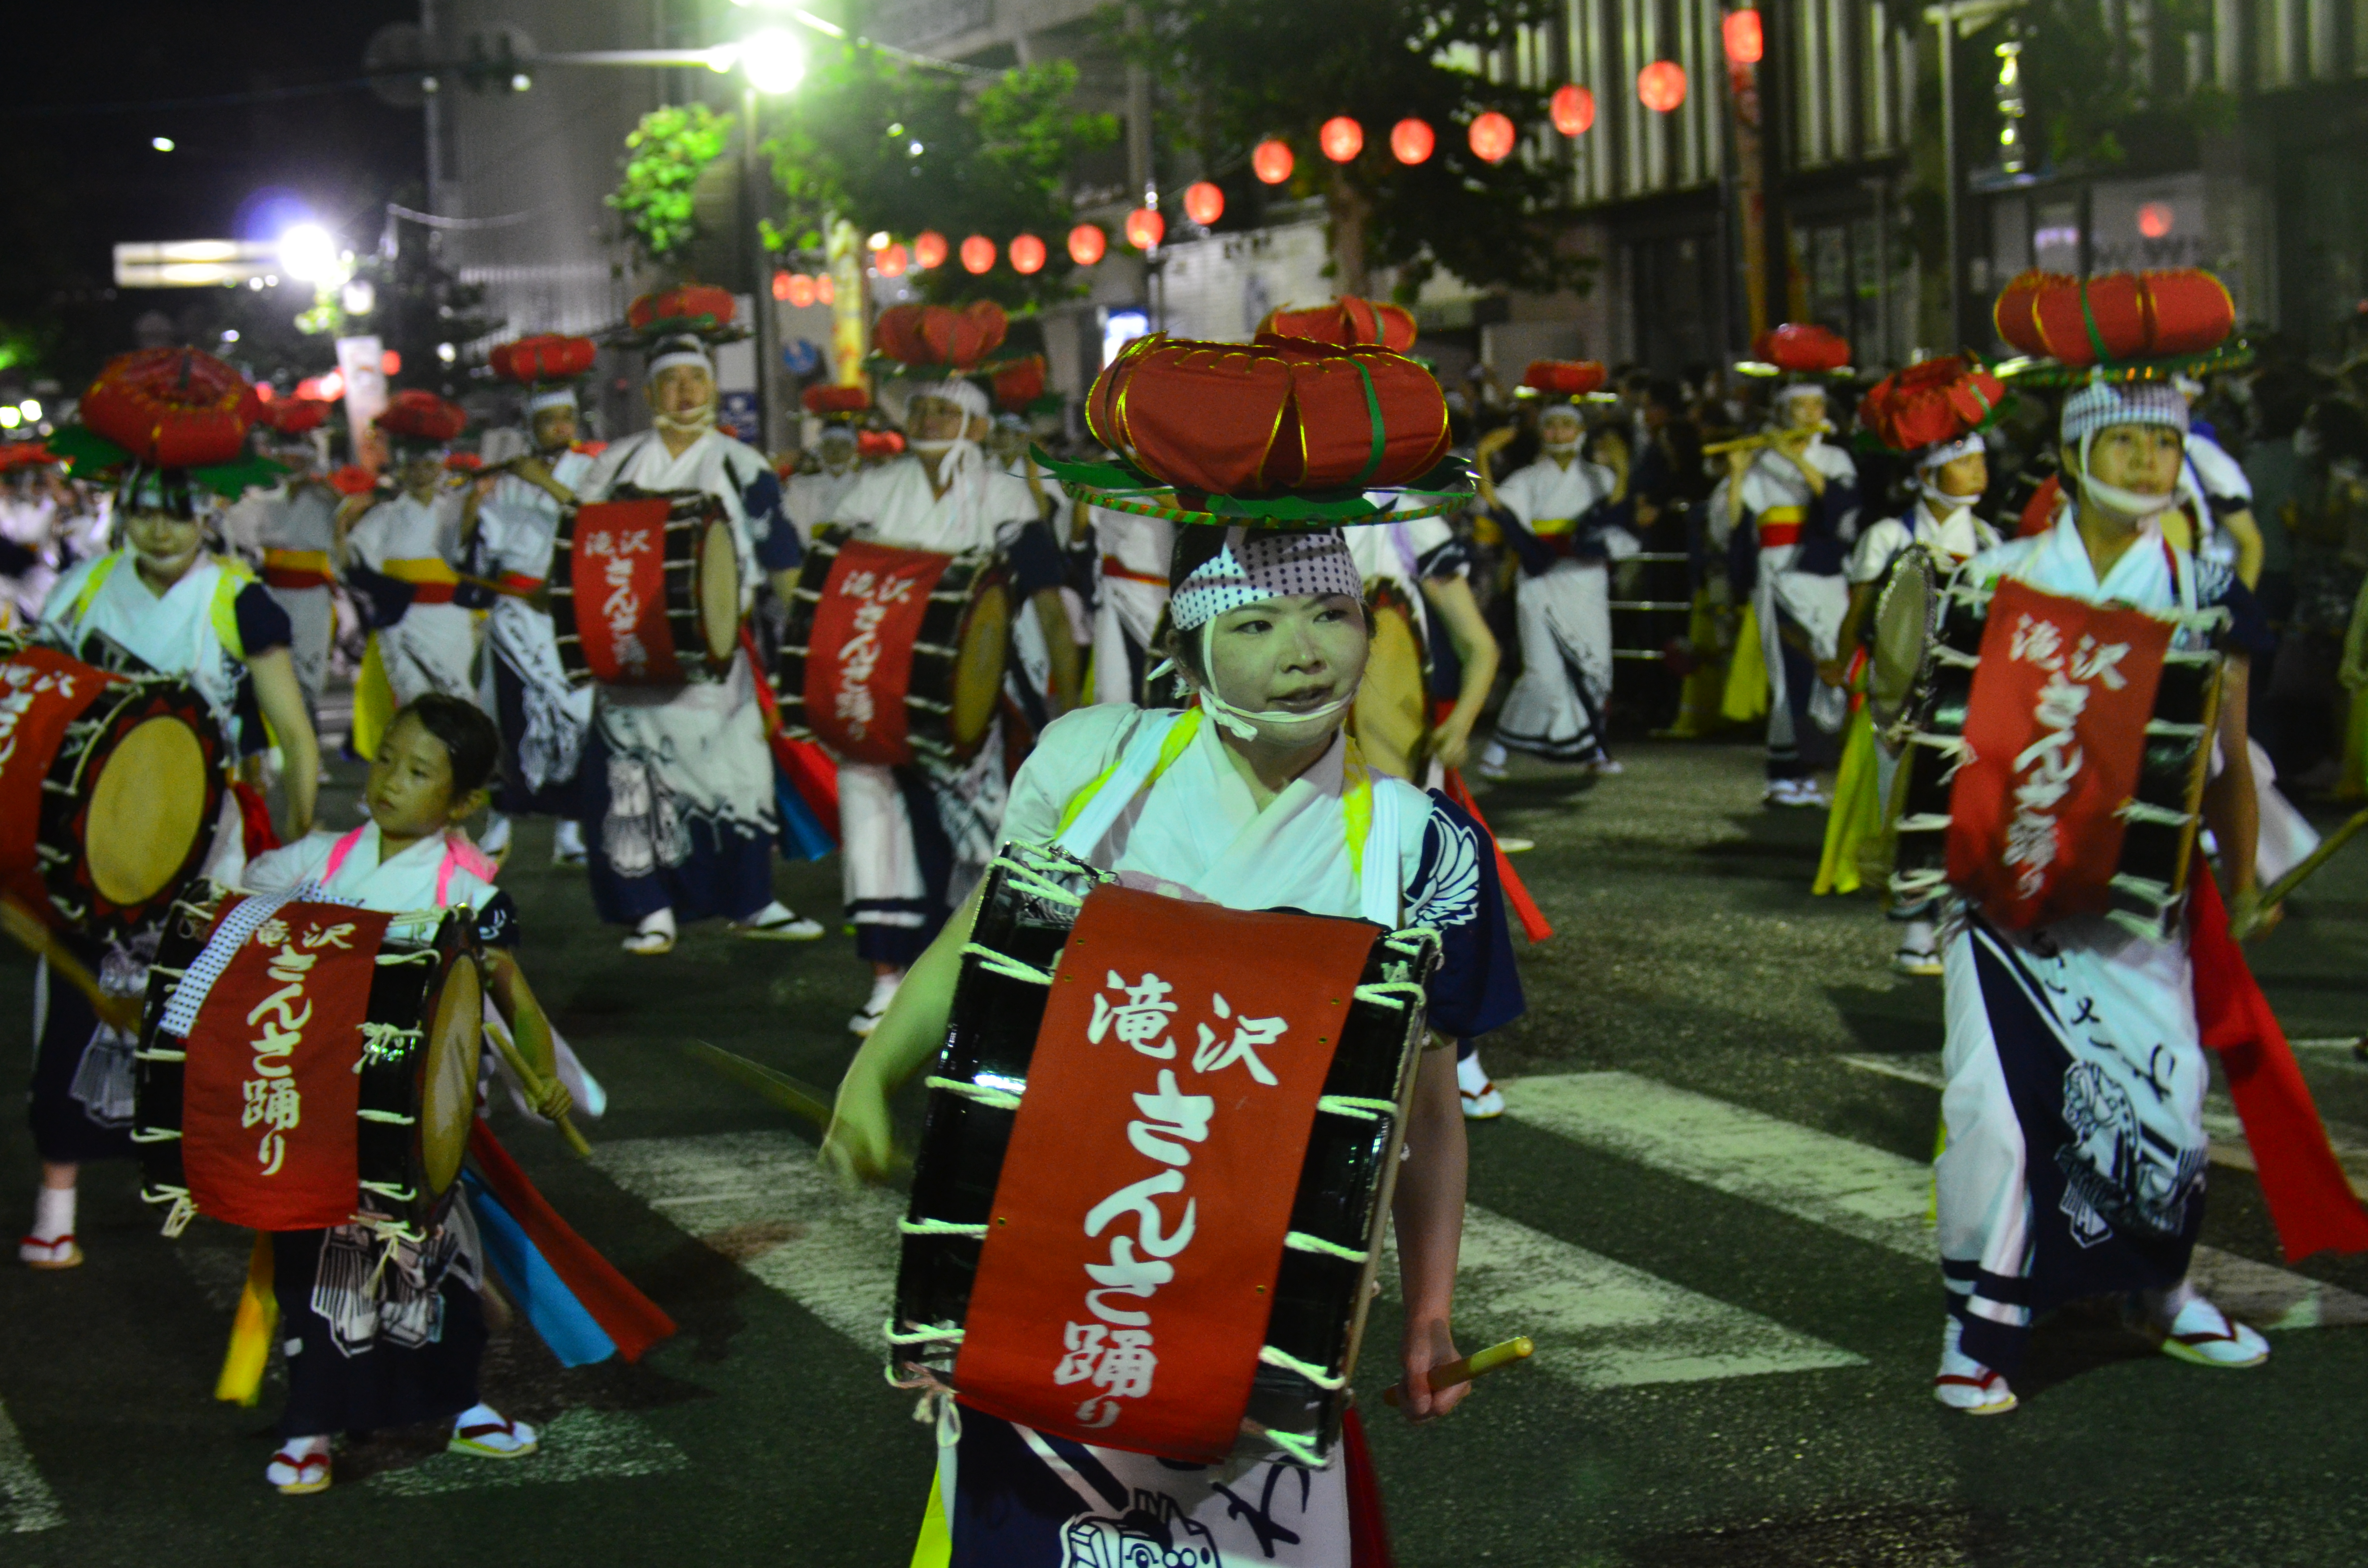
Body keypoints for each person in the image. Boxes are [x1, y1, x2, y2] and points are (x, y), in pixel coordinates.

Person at [825, 523, 1523, 1564]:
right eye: (1257, 623)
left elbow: (1424, 1111)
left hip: (1261, 1322)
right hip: (1062, 1274)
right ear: (1184, 654)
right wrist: (873, 1072)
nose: (1307, 651)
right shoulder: (1090, 765)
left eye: (1333, 615)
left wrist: (1429, 1309)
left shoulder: (1423, 846)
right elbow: (984, 933)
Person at [1932, 380, 2280, 1414]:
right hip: (2008, 897)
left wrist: (2247, 878)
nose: (2145, 464)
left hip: (2141, 897)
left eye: (2163, 446)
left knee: (2164, 1097)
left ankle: (2158, 1290)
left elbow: (2227, 756)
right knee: (1995, 1112)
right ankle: (1979, 1328)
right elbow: (1935, 737)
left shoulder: (2204, 587)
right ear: (2074, 457)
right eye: (2122, 442)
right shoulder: (1995, 577)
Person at [239, 695, 566, 1491]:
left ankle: (458, 1402)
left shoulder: (471, 898)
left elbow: (516, 1000)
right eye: (386, 757)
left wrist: (542, 1073)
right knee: (318, 1275)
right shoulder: (308, 863)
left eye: (417, 772)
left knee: (437, 1270)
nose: (388, 780)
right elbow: (243, 940)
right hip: (318, 1113)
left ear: (462, 803)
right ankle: (310, 1426)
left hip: (424, 1127)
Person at [22, 443, 321, 1269]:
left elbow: (294, 733)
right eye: (142, 508)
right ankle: (58, 1199)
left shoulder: (237, 598)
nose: (157, 527)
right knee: (71, 1018)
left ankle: (206, 1177)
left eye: (176, 511)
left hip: (203, 842)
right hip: (88, 846)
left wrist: (297, 845)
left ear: (206, 517)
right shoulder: (82, 587)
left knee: (203, 1014)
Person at [825, 377, 1075, 1033]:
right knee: (877, 821)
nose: (932, 416)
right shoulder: (873, 491)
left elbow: (1048, 600)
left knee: (985, 828)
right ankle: (887, 978)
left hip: (978, 687)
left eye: (948, 407)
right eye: (922, 406)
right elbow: (828, 584)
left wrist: (1070, 705)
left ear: (980, 425)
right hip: (874, 680)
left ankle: (977, 971)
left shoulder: (1004, 494)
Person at [571, 329, 819, 954]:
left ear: (713, 387)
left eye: (697, 379)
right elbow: (579, 546)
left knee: (739, 776)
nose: (685, 392)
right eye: (672, 381)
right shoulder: (617, 463)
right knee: (633, 785)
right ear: (652, 391)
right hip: (630, 651)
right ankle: (649, 907)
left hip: (715, 655)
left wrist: (806, 639)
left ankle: (752, 900)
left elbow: (781, 556)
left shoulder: (742, 463)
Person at [1817, 429, 2000, 972]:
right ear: (1925, 475)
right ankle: (1915, 932)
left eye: (1979, 463)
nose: (1976, 474)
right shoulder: (1885, 536)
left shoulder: (1991, 541)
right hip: (1897, 689)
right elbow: (1861, 609)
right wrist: (1840, 657)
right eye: (1963, 463)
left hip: (1966, 692)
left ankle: (1958, 928)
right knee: (1901, 799)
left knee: (1961, 804)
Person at [466, 367, 598, 866]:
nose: (561, 428)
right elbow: (490, 550)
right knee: (509, 716)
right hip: (517, 612)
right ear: (532, 428)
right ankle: (499, 822)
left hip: (569, 608)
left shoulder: (591, 473)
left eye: (568, 418)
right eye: (549, 421)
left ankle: (570, 832)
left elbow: (598, 523)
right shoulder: (508, 480)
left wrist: (547, 485)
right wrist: (476, 504)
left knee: (577, 718)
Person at [1715, 380, 1860, 806]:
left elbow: (1840, 507)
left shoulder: (1835, 457)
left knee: (1829, 668)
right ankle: (1783, 774)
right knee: (1790, 670)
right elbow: (1732, 525)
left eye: (1818, 404)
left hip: (1826, 575)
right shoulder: (1760, 461)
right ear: (1783, 413)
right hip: (1779, 574)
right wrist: (1740, 474)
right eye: (1801, 406)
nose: (1812, 413)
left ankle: (1809, 772)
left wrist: (1789, 456)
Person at [1472, 399, 1632, 777]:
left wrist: (1623, 467)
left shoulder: (1600, 476)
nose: (1559, 432)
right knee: (1542, 673)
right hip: (1541, 581)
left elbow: (1618, 512)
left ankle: (1595, 750)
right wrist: (1482, 456)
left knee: (1593, 667)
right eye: (1551, 425)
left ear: (1580, 432)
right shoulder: (1526, 478)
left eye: (1567, 425)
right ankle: (1497, 750)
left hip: (1586, 580)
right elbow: (1496, 506)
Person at [341, 395, 475, 709]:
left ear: (441, 466)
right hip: (404, 620)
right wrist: (340, 523)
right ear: (402, 468)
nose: (421, 473)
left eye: (429, 465)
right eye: (412, 465)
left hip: (453, 620)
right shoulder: (383, 516)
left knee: (461, 697)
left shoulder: (456, 510)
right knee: (416, 700)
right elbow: (353, 561)